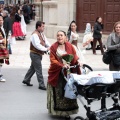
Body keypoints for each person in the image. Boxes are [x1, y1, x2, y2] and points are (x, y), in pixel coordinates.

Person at [47, 30, 81, 119]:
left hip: (68, 73)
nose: (59, 37)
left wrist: (78, 62)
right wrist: (62, 65)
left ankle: (68, 111)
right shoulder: (53, 47)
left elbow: (74, 56)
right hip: (58, 73)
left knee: (69, 91)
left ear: (65, 37)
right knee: (59, 92)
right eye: (58, 35)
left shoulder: (70, 46)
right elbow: (53, 60)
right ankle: (59, 111)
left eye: (61, 35)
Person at [22, 21, 50, 90]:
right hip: (35, 54)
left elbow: (46, 42)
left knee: (33, 68)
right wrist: (46, 49)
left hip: (38, 54)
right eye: (42, 26)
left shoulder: (42, 34)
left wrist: (50, 47)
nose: (44, 28)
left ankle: (26, 79)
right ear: (38, 27)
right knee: (38, 69)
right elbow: (37, 45)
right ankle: (41, 84)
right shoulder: (35, 35)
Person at [0, 15, 9, 82]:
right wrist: (1, 41)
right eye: (0, 20)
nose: (1, 21)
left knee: (0, 63)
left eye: (2, 20)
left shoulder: (2, 28)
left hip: (2, 48)